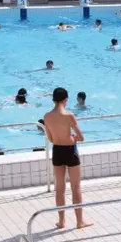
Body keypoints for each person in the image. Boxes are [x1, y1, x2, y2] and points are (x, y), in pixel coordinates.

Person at [43, 88, 90, 230]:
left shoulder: (47, 116)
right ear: (66, 99)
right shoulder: (69, 115)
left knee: (59, 188)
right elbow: (81, 137)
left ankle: (61, 221)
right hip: (70, 151)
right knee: (75, 187)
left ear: (53, 99)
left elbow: (50, 138)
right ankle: (79, 221)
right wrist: (73, 138)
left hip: (57, 150)